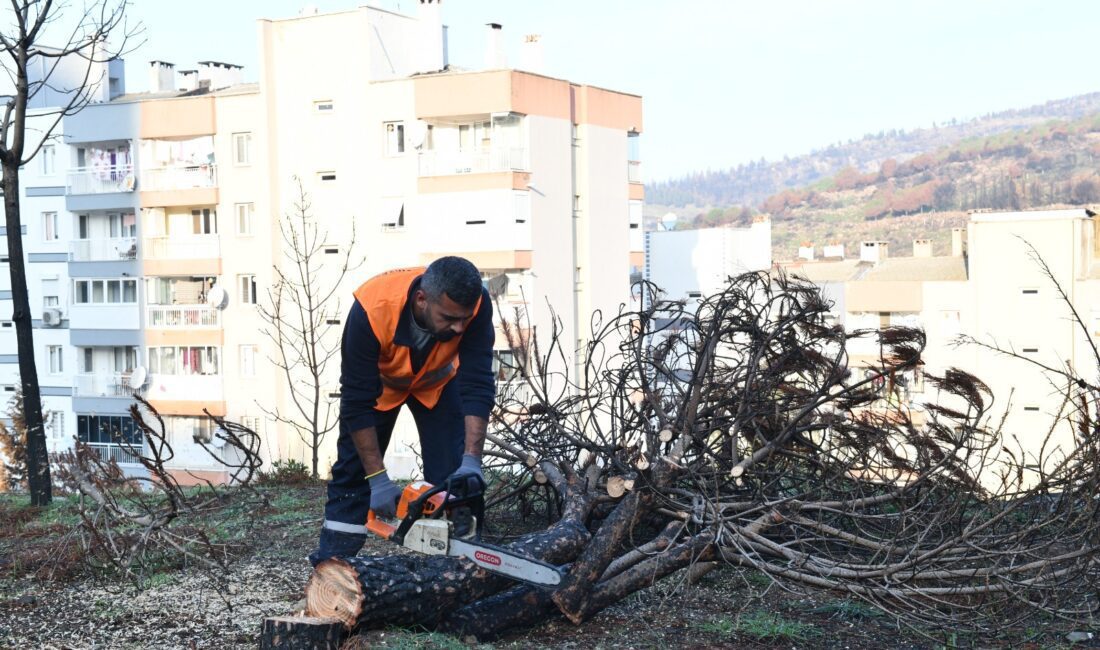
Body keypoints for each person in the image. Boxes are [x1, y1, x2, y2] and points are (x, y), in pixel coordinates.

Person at [309, 256, 495, 565]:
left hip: (437, 385)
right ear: (422, 299)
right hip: (381, 389)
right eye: (449, 318)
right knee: (353, 475)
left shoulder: (476, 304)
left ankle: (459, 567)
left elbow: (477, 382)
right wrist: (377, 479)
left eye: (464, 319)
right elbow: (356, 402)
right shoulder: (372, 309)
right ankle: (333, 565)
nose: (459, 327)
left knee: (456, 479)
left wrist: (472, 460)